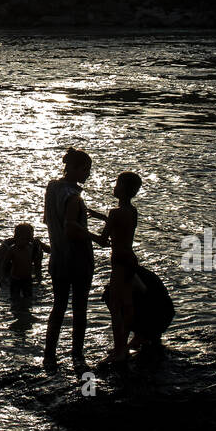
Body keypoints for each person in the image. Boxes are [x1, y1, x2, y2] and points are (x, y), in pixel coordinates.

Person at [42, 147, 99, 370]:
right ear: (74, 168)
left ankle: (49, 355)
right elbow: (71, 228)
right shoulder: (73, 197)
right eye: (86, 169)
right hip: (78, 258)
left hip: (57, 257)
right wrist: (96, 237)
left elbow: (49, 220)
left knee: (58, 307)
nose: (88, 174)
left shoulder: (52, 188)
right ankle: (77, 355)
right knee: (79, 308)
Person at [92, 172, 143, 365]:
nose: (114, 187)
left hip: (119, 262)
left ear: (123, 189)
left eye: (117, 184)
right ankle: (123, 346)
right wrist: (102, 218)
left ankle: (120, 349)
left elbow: (104, 241)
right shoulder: (131, 211)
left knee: (115, 306)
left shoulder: (115, 213)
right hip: (130, 259)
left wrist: (80, 229)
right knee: (127, 304)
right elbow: (121, 231)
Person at [0, 224, 46, 296]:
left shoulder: (35, 246)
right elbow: (0, 268)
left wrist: (38, 283)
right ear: (16, 238)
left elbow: (38, 268)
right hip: (0, 260)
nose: (28, 241)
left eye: (30, 238)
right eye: (25, 238)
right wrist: (1, 280)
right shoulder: (7, 247)